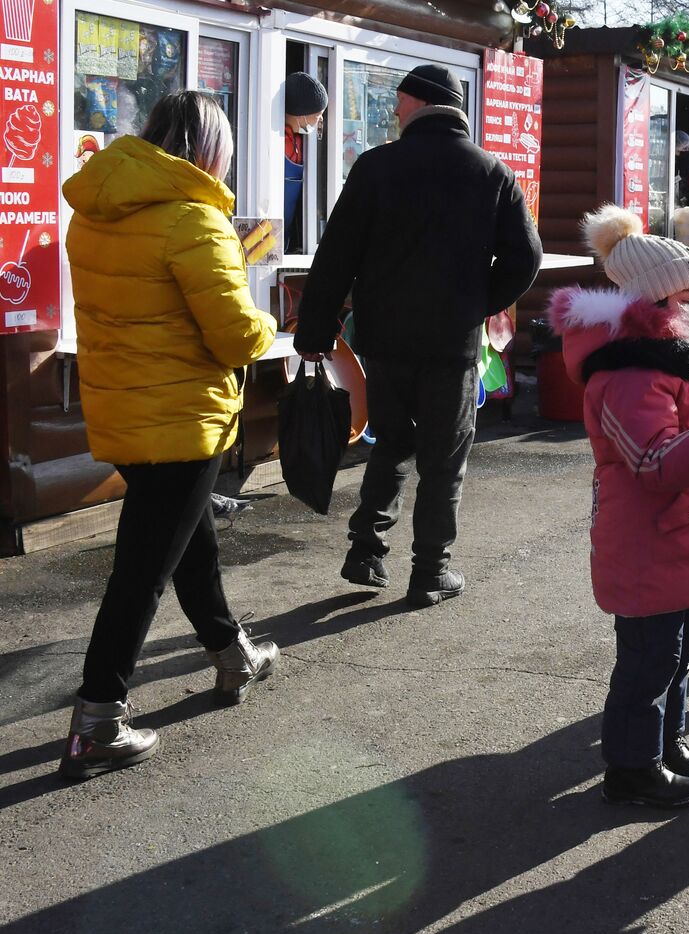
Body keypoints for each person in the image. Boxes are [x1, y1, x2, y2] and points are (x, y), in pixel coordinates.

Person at [59, 91, 281, 779]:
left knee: (188, 544)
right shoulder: (194, 220)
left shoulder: (95, 214)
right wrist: (275, 326)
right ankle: (99, 719)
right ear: (209, 151)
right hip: (183, 416)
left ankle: (232, 655)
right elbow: (236, 335)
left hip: (127, 411)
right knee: (142, 571)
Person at [294, 64, 542, 608]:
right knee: (444, 456)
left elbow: (337, 254)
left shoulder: (377, 166)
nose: (395, 112)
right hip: (450, 343)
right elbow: (527, 257)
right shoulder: (491, 171)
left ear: (414, 103)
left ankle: (365, 549)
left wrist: (314, 328)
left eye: (399, 102)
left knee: (392, 442)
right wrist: (477, 303)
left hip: (383, 338)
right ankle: (430, 572)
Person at [548, 204, 689, 807]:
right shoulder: (627, 376)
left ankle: (665, 742)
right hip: (646, 544)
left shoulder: (669, 365)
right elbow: (655, 463)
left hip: (676, 540)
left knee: (677, 648)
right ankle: (631, 768)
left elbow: (687, 438)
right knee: (649, 661)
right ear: (653, 305)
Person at [283, 71, 327, 253]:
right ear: (302, 115)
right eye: (318, 116)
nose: (320, 121)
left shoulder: (299, 140)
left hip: (289, 229)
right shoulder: (280, 141)